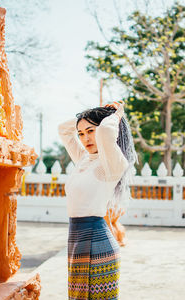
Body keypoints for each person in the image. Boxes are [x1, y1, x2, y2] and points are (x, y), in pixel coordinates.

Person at [58, 100, 138, 299]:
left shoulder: (111, 163)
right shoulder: (84, 159)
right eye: (81, 134)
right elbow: (63, 130)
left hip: (97, 240)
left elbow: (105, 134)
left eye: (90, 131)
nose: (85, 138)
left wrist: (115, 114)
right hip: (76, 238)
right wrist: (92, 113)